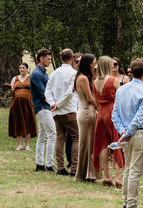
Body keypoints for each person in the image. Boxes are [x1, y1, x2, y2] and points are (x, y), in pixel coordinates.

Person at [112, 58, 143, 208]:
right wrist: (127, 133)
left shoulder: (121, 89)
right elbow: (139, 117)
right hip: (137, 133)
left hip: (125, 134)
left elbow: (115, 114)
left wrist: (122, 131)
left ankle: (125, 201)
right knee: (134, 170)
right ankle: (131, 206)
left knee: (128, 168)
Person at [46, 48, 79, 176]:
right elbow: (69, 93)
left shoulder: (54, 73)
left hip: (56, 111)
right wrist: (58, 104)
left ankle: (60, 166)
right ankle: (74, 167)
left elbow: (47, 90)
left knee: (60, 138)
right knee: (76, 137)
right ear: (72, 59)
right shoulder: (73, 73)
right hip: (68, 109)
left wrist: (52, 103)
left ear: (61, 59)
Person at [92, 56, 124, 186]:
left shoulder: (94, 82)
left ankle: (106, 176)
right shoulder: (113, 80)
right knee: (117, 142)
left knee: (103, 145)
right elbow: (121, 98)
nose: (113, 66)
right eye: (111, 64)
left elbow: (95, 100)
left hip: (101, 114)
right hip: (112, 112)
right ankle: (118, 177)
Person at [74, 53, 98, 182]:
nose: (95, 64)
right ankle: (90, 174)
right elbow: (90, 98)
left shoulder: (83, 76)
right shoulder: (83, 78)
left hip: (84, 111)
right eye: (94, 61)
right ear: (88, 63)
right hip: (87, 111)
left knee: (85, 143)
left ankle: (83, 173)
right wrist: (99, 107)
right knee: (89, 143)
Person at [31, 48, 56, 172]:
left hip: (43, 107)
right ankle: (49, 164)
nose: (50, 61)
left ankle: (40, 164)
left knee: (43, 136)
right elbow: (44, 94)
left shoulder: (43, 73)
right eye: (48, 59)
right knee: (52, 134)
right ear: (41, 59)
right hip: (43, 108)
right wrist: (53, 104)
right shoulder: (36, 74)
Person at [8, 62, 35, 151]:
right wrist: (10, 90)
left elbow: (35, 90)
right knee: (18, 122)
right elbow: (11, 91)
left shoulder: (31, 77)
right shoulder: (15, 79)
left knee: (28, 123)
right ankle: (20, 145)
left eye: (23, 67)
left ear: (27, 69)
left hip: (28, 103)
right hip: (16, 104)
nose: (21, 69)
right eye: (20, 68)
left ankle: (27, 145)